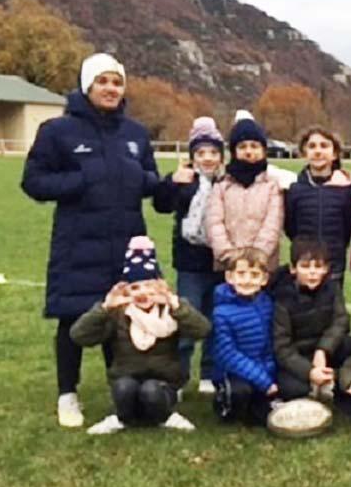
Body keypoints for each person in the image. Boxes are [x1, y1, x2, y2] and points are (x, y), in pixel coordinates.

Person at [21, 52, 159, 428]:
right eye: (103, 81)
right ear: (87, 86)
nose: (111, 89)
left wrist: (163, 185)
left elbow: (150, 179)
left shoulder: (135, 133)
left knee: (123, 320)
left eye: (117, 82)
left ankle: (122, 391)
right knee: (73, 319)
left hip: (127, 243)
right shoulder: (58, 131)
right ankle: (68, 394)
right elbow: (33, 182)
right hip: (78, 243)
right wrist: (80, 181)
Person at [70, 237, 209, 435]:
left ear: (159, 286)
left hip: (163, 382)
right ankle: (123, 418)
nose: (142, 293)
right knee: (124, 388)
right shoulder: (119, 313)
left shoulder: (170, 311)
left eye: (148, 286)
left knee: (151, 390)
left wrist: (176, 304)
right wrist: (104, 308)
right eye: (135, 287)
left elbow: (202, 330)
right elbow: (79, 335)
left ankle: (165, 416)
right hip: (127, 377)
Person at [152, 116, 225, 394]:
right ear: (192, 155)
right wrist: (171, 182)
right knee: (186, 321)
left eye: (213, 153)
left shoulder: (226, 182)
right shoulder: (186, 181)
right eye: (201, 153)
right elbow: (160, 204)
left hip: (220, 262)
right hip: (190, 265)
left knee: (215, 323)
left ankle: (209, 373)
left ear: (221, 156)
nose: (207, 158)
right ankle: (178, 375)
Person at [272, 239, 351, 404]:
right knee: (294, 390)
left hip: (324, 350)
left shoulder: (332, 288)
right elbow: (282, 347)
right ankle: (310, 386)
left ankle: (341, 389)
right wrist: (310, 371)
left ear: (325, 269)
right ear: (293, 269)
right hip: (297, 355)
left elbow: (341, 320)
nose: (312, 272)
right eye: (305, 266)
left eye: (317, 267)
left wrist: (323, 349)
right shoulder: (282, 297)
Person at [205, 115, 283, 272]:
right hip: (227, 266)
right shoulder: (222, 186)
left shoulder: (272, 186)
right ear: (234, 151)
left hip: (263, 266)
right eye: (242, 147)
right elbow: (214, 223)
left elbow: (273, 225)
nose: (249, 151)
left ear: (263, 150)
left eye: (254, 146)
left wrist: (257, 256)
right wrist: (229, 255)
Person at [210, 248, 278, 427]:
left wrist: (270, 373)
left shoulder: (267, 303)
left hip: (262, 368)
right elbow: (228, 354)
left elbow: (271, 344)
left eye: (254, 275)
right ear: (229, 277)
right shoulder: (221, 312)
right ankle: (225, 407)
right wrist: (263, 380)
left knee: (262, 418)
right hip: (233, 372)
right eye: (241, 274)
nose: (247, 280)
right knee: (241, 392)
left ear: (264, 279)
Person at [285, 126, 351, 284]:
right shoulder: (295, 190)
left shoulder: (346, 190)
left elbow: (348, 227)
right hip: (304, 265)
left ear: (335, 153)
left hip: (334, 264)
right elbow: (290, 227)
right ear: (304, 153)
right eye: (312, 146)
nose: (318, 151)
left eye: (324, 146)